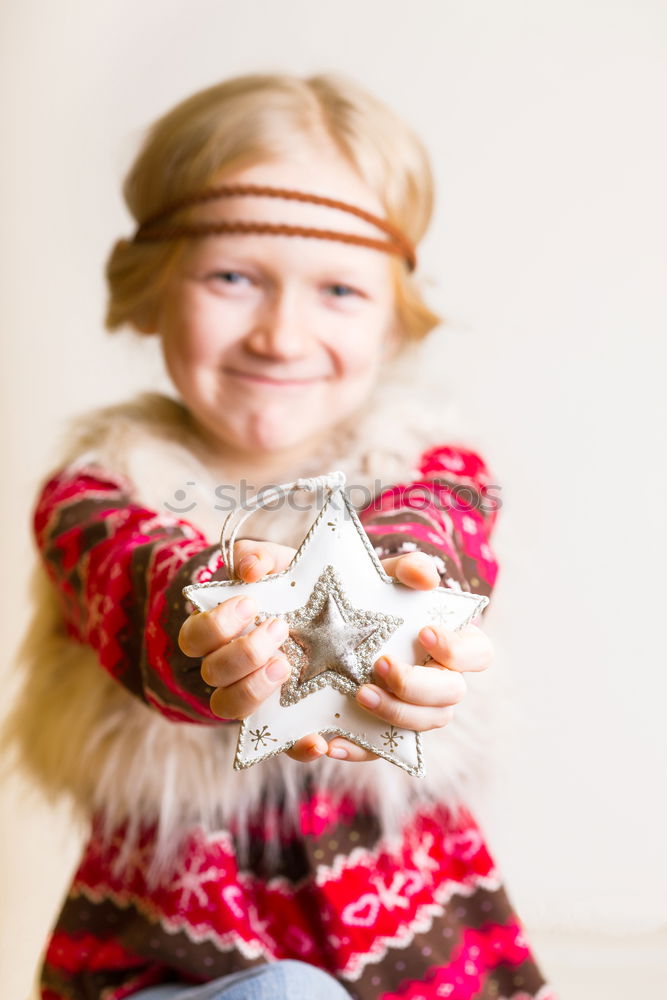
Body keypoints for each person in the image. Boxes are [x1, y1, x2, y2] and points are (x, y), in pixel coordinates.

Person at [2, 73, 558, 999]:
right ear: (148, 291)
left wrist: (403, 608)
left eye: (338, 289)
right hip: (176, 941)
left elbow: (433, 533)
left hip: (415, 935)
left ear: (393, 319)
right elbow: (139, 582)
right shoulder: (93, 494)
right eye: (232, 277)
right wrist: (213, 627)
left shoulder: (429, 471)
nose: (280, 334)